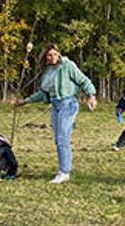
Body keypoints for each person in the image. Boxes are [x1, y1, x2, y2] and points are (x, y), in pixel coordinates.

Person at [14, 43, 98, 184]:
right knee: (58, 139)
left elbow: (83, 80)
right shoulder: (47, 71)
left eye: (55, 54)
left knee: (62, 138)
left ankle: (64, 172)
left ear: (59, 54)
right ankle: (63, 169)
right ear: (46, 57)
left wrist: (92, 95)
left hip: (68, 103)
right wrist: (25, 101)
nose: (53, 57)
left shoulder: (67, 65)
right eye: (49, 55)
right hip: (55, 105)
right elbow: (44, 93)